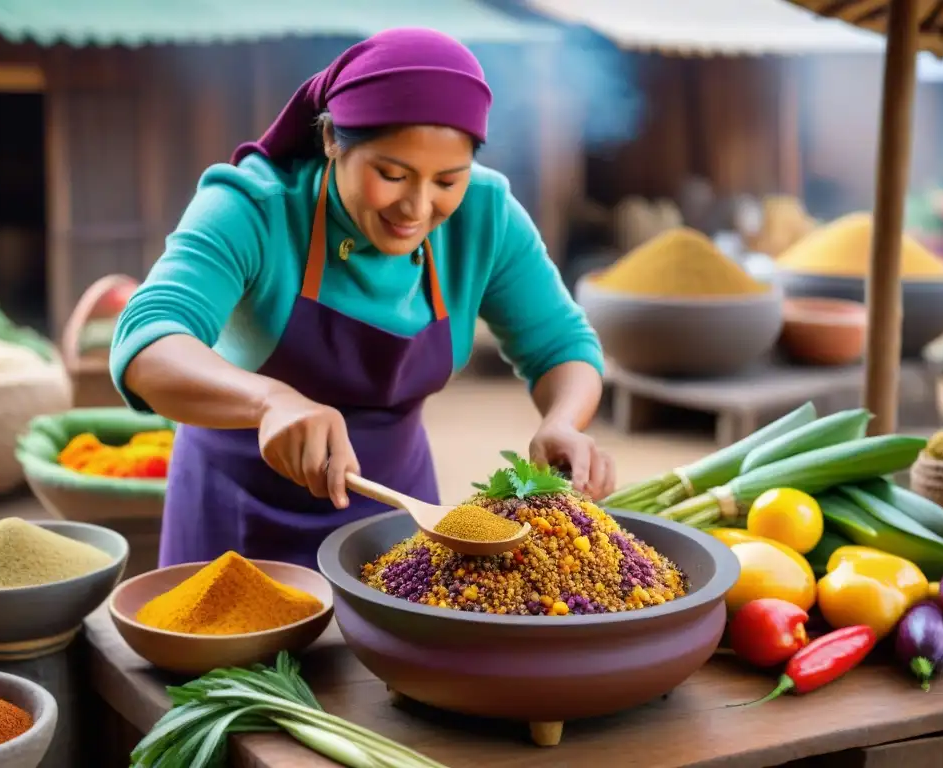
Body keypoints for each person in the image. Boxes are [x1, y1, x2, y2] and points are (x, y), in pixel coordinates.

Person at [110, 27, 615, 570]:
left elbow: (563, 344)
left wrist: (562, 420)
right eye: (392, 175)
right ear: (331, 139)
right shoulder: (253, 206)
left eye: (447, 180)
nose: (417, 208)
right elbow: (147, 341)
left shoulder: (486, 214)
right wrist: (269, 402)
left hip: (396, 517)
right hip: (238, 518)